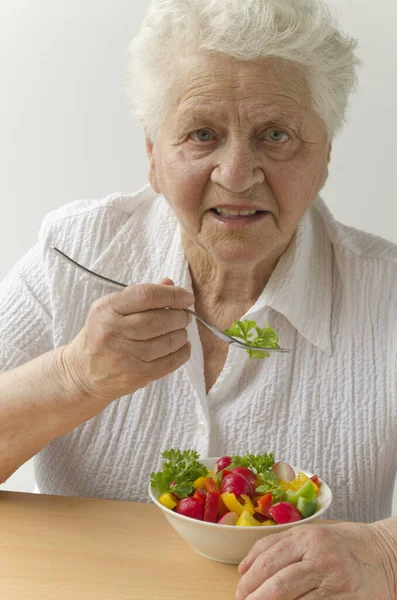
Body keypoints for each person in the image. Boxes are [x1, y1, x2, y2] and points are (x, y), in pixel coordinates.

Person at [1, 0, 397, 596]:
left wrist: (384, 553)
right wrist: (74, 376)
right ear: (154, 156)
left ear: (325, 155)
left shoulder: (386, 293)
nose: (237, 174)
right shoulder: (75, 253)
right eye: (202, 134)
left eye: (277, 135)